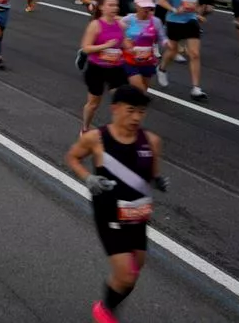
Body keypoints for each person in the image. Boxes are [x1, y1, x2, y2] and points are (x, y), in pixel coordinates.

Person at [65, 85, 166, 323]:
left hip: (138, 213)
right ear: (115, 109)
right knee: (126, 275)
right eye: (131, 111)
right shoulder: (97, 139)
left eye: (141, 112)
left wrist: (158, 179)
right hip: (109, 212)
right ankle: (104, 310)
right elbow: (72, 157)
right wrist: (88, 178)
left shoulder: (151, 141)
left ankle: (109, 305)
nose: (136, 117)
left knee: (135, 269)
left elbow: (152, 171)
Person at [155, 0, 205, 100]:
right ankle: (162, 68)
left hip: (191, 20)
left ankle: (196, 88)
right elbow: (161, 0)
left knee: (194, 54)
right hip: (174, 20)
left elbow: (195, 2)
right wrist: (174, 9)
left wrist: (197, 13)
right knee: (172, 50)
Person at [80, 0, 131, 133]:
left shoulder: (120, 24)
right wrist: (105, 46)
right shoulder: (95, 25)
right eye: (111, 5)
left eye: (116, 5)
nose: (115, 8)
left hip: (116, 68)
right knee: (93, 103)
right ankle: (85, 127)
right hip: (97, 68)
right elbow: (86, 48)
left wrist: (132, 47)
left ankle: (118, 129)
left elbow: (125, 44)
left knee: (122, 99)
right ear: (102, 7)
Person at [120, 0, 166, 92]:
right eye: (144, 6)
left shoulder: (156, 21)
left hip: (147, 60)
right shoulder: (127, 20)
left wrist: (166, 42)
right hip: (130, 60)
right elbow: (118, 36)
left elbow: (162, 37)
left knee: (143, 90)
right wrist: (126, 43)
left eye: (149, 7)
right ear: (137, 7)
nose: (147, 9)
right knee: (139, 89)